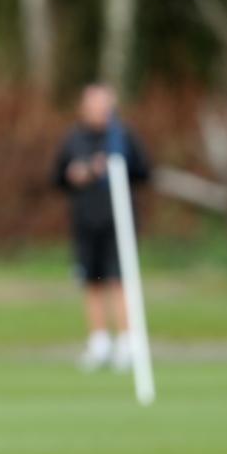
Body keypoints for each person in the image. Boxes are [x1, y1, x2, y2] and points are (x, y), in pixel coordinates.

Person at [52, 83, 149, 371]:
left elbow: (144, 171)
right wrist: (78, 174)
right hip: (86, 222)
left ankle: (127, 341)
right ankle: (99, 341)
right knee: (91, 281)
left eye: (104, 106)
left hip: (119, 222)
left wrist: (112, 167)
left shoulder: (123, 136)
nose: (99, 112)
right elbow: (57, 177)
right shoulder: (73, 139)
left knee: (119, 279)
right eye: (93, 106)